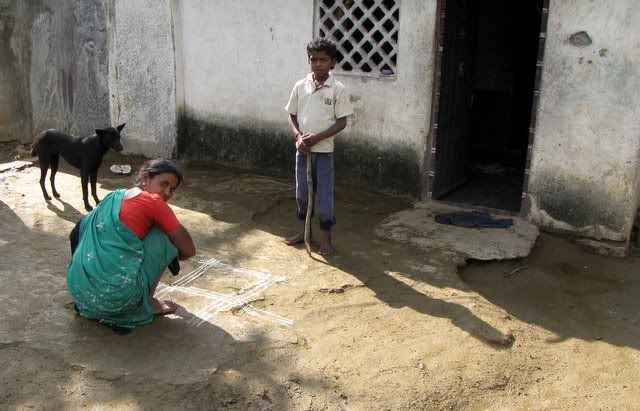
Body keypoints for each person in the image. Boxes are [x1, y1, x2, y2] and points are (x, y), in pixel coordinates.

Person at [66, 158, 196, 332]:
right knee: (164, 236)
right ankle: (148, 303)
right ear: (145, 178)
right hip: (116, 301)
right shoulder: (154, 202)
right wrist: (168, 254)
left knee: (92, 227)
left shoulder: (112, 197)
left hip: (82, 296)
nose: (167, 193)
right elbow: (188, 250)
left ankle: (92, 282)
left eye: (172, 189)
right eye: (163, 184)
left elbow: (76, 232)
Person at [284, 38, 354, 255]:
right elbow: (292, 115)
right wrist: (298, 137)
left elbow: (342, 122)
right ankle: (305, 232)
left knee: (323, 198)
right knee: (302, 194)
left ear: (332, 62)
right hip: (302, 151)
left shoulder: (337, 89)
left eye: (323, 60)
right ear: (309, 60)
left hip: (324, 153)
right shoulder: (300, 86)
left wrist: (319, 137)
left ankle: (326, 237)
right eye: (314, 59)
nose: (318, 64)